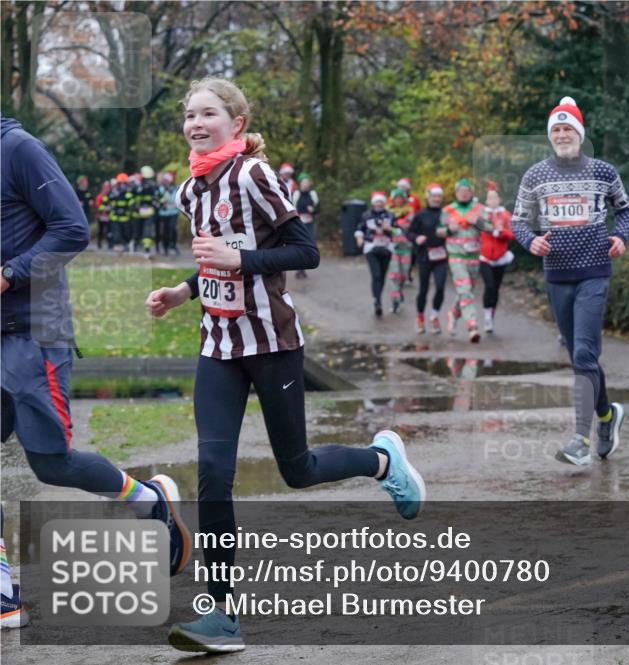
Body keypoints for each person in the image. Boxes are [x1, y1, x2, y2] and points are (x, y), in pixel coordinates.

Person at [144, 78, 425, 653]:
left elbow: (306, 251)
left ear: (237, 123)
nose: (196, 124)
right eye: (189, 115)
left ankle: (381, 461)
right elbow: (214, 261)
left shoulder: (255, 176)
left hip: (273, 344)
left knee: (296, 468)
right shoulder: (190, 191)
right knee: (213, 472)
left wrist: (239, 259)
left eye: (208, 114)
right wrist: (183, 291)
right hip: (218, 347)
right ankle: (222, 615)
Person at [1, 115, 189, 629]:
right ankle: (2, 589)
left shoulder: (18, 149)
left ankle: (148, 500)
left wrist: (9, 273)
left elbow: (72, 229)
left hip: (32, 330)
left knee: (52, 464)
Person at [510, 96, 629, 465]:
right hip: (557, 275)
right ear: (551, 136)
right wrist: (530, 241)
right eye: (557, 129)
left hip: (594, 272)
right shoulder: (535, 175)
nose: (563, 134)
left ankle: (580, 439)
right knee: (583, 358)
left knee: (583, 354)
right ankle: (607, 415)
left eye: (568, 128)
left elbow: (625, 207)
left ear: (580, 133)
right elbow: (518, 220)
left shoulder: (603, 171)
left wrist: (620, 236)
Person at [438, 178, 490, 343]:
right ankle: (472, 326)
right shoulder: (447, 210)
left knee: (466, 292)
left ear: (471, 192)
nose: (464, 193)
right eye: (461, 191)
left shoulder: (479, 209)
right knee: (465, 290)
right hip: (456, 256)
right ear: (456, 193)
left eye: (467, 191)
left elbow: (490, 228)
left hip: (473, 256)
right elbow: (438, 231)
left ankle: (453, 313)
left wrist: (478, 222)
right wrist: (448, 229)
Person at [407, 183, 449, 334]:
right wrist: (416, 238)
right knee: (423, 289)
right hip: (424, 256)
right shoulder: (420, 214)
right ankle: (420, 317)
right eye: (434, 196)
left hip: (441, 257)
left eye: (439, 196)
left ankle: (434, 316)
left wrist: (449, 232)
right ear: (428, 197)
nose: (436, 199)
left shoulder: (446, 214)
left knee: (440, 287)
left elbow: (454, 231)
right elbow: (409, 233)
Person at [478, 183, 515, 334]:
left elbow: (512, 235)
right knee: (490, 286)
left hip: (500, 258)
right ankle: (487, 317)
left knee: (496, 288)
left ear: (499, 199)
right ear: (486, 200)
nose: (492, 200)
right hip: (484, 257)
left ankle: (491, 314)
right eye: (490, 198)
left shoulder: (506, 215)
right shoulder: (481, 214)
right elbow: (475, 228)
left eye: (495, 197)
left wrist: (501, 232)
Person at [355, 191, 396, 316]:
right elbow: (360, 229)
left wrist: (390, 229)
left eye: (381, 202)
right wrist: (359, 238)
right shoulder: (366, 215)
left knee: (382, 276)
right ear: (373, 203)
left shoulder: (390, 215)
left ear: (384, 203)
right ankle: (377, 301)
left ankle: (378, 297)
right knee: (376, 275)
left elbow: (398, 231)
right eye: (377, 202)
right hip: (371, 248)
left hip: (386, 248)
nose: (379, 204)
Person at [386, 187, 414, 312]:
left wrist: (394, 228)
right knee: (393, 275)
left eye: (401, 198)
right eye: (396, 198)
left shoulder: (410, 212)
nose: (399, 200)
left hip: (406, 247)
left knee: (403, 275)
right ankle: (395, 301)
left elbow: (409, 227)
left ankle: (399, 291)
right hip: (392, 247)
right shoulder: (388, 212)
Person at [291, 174, 320, 278]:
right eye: (303, 182)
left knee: (309, 245)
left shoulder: (313, 194)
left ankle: (303, 268)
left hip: (310, 224)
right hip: (299, 223)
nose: (305, 184)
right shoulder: (296, 194)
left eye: (307, 182)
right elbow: (291, 208)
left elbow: (318, 209)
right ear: (300, 184)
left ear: (309, 184)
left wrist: (313, 210)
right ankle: (299, 269)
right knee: (299, 245)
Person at [132, 165, 159, 256]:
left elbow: (132, 197)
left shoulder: (137, 186)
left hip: (139, 212)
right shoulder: (154, 186)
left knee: (138, 230)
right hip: (148, 212)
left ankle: (137, 245)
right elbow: (157, 199)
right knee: (147, 230)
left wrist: (134, 207)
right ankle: (146, 248)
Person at [108, 172, 133, 251]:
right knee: (116, 232)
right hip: (116, 216)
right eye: (120, 183)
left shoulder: (128, 192)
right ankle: (118, 246)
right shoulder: (114, 191)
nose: (122, 185)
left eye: (124, 183)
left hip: (125, 217)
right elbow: (110, 201)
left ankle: (126, 245)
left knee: (126, 232)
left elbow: (131, 203)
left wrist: (126, 210)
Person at [157, 170, 180, 256]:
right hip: (163, 213)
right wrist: (162, 201)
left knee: (173, 229)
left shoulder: (176, 188)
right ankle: (165, 247)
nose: (166, 181)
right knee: (164, 231)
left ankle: (173, 246)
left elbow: (178, 200)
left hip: (173, 212)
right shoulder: (160, 189)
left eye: (168, 180)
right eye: (165, 180)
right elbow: (157, 200)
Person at [93, 180, 112, 250]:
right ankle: (99, 244)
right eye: (105, 188)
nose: (107, 189)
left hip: (108, 216)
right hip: (101, 216)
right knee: (100, 231)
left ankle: (110, 244)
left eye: (108, 188)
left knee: (109, 230)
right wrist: (103, 210)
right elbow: (97, 205)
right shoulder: (100, 196)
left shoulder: (111, 196)